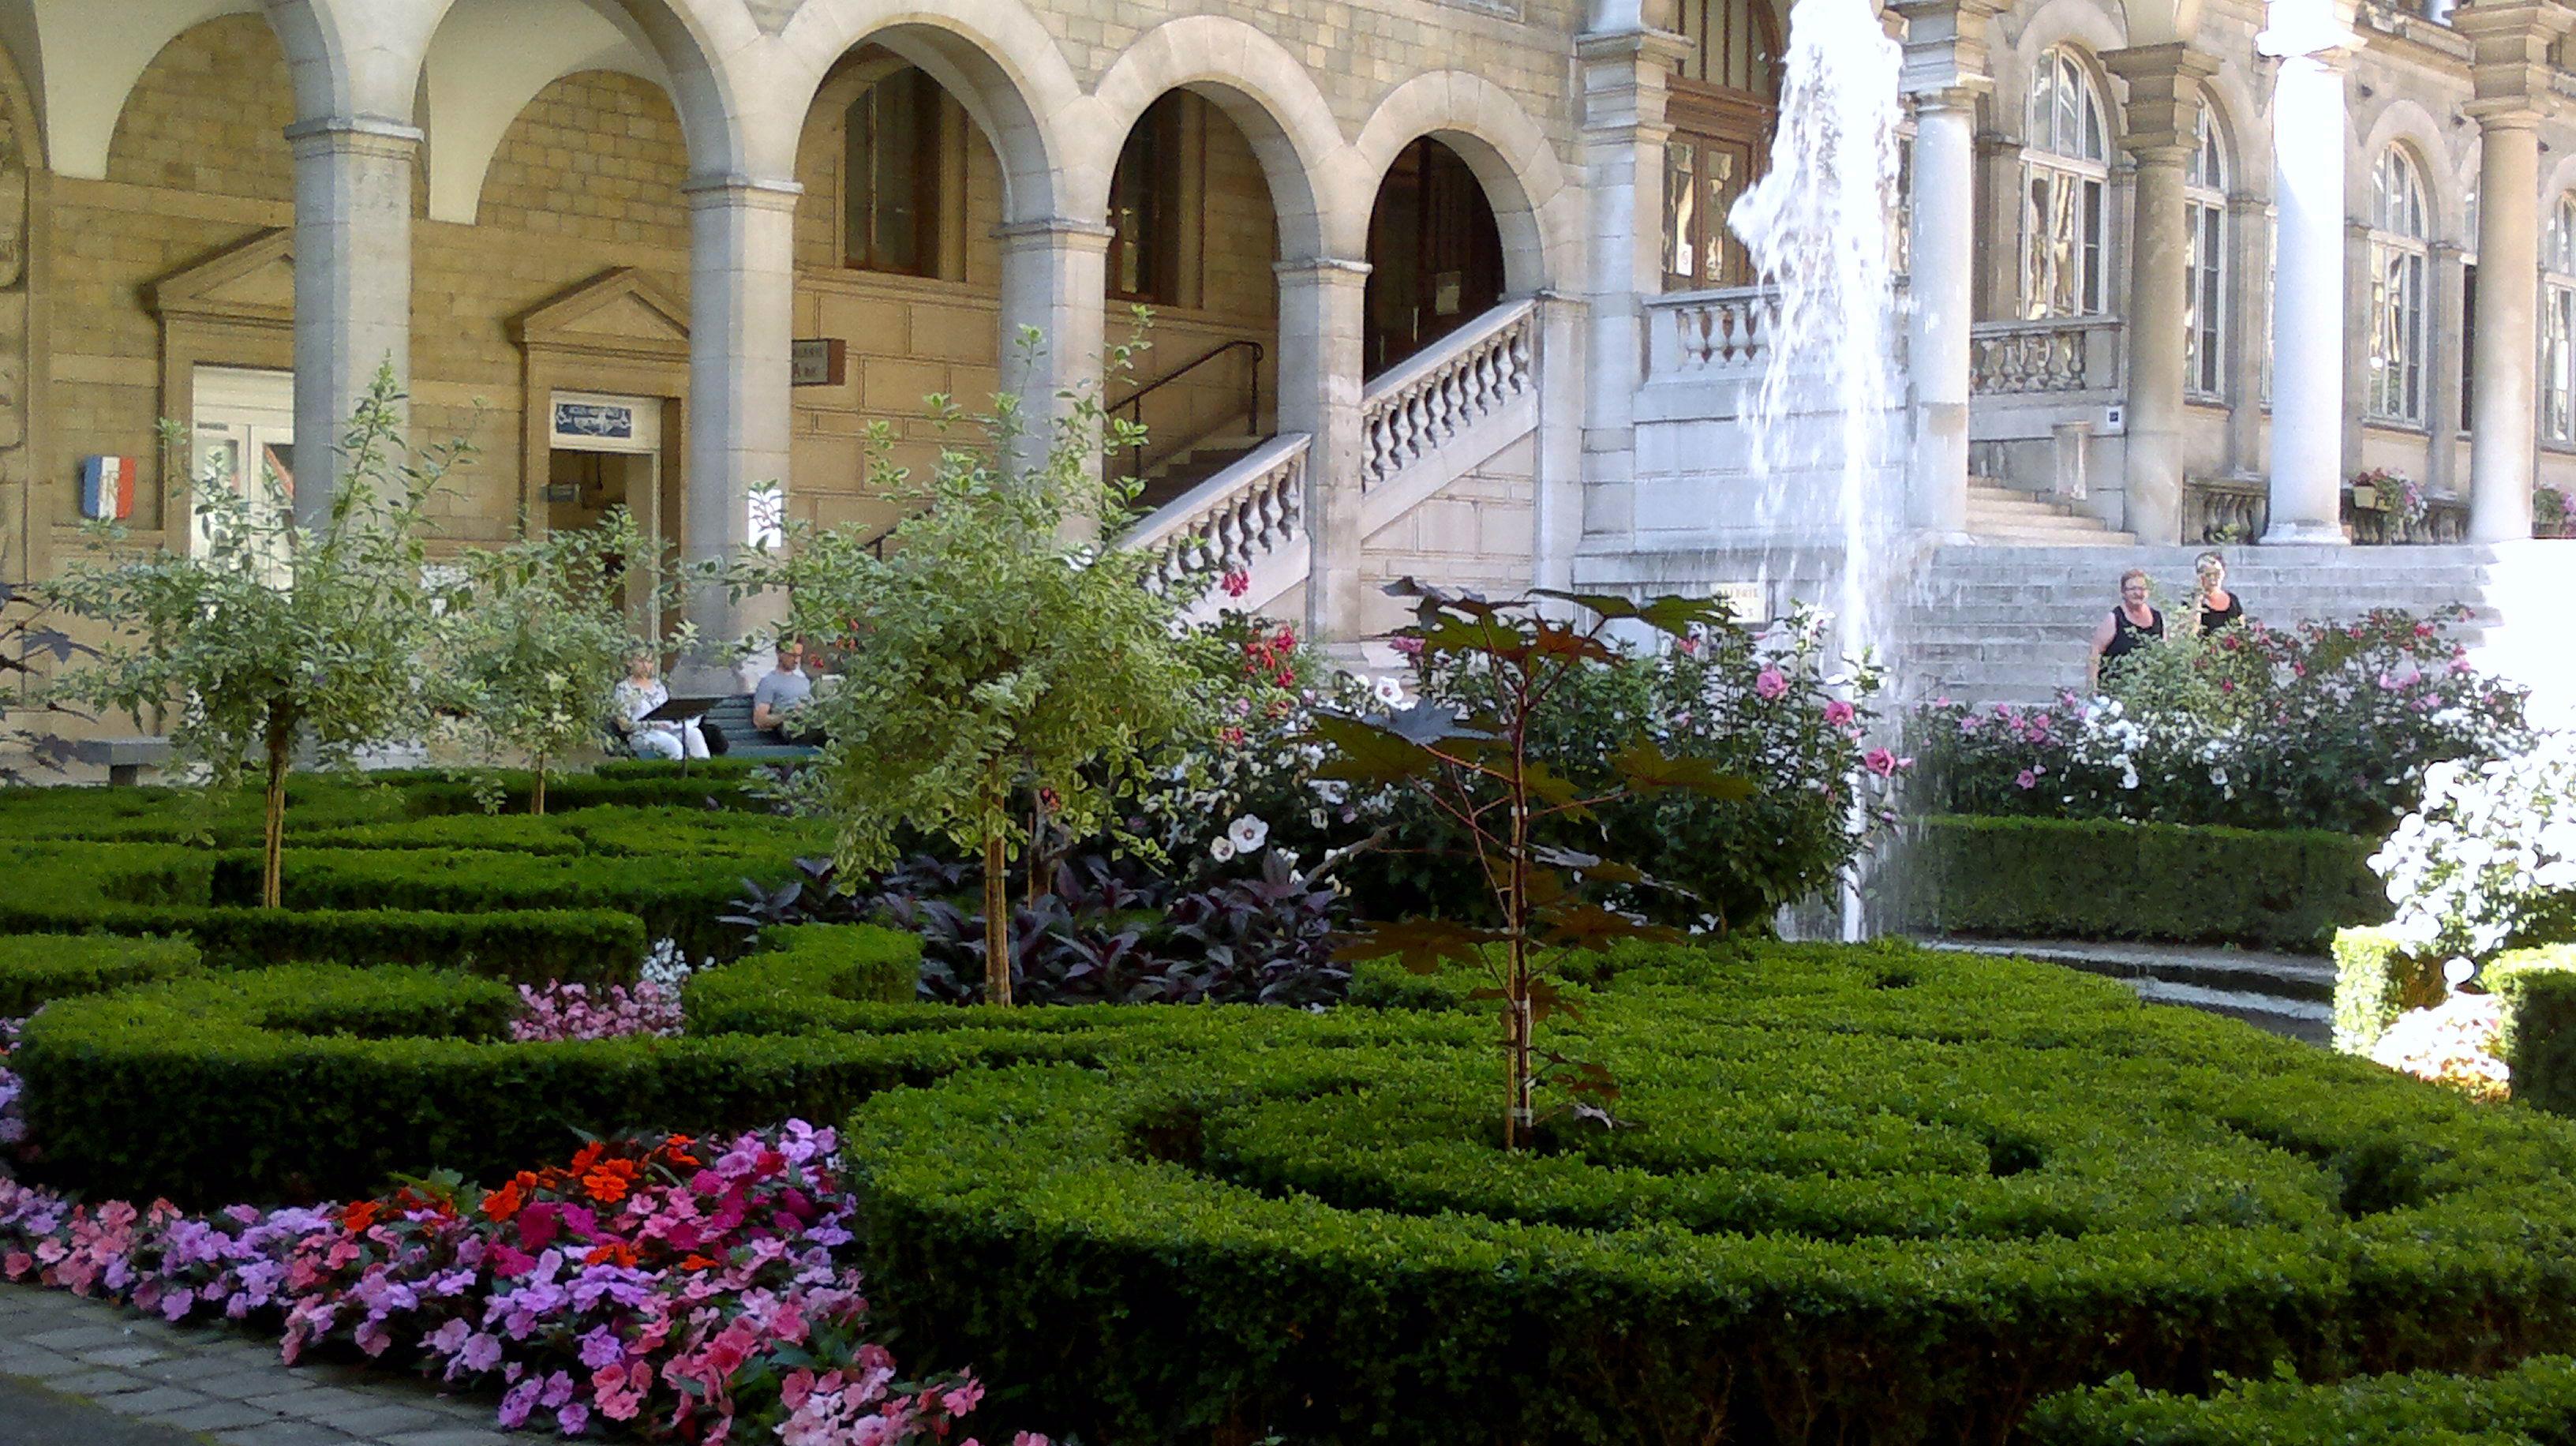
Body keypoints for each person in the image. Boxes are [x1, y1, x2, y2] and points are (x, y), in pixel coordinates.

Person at [611, 651, 708, 761]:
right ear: (630, 662)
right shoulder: (624, 689)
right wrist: (652, 725)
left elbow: (668, 709)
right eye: (641, 661)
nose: (645, 666)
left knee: (695, 734)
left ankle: (704, 772)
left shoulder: (658, 685)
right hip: (642, 734)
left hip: (668, 729)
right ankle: (676, 775)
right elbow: (624, 725)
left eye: (649, 662)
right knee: (673, 745)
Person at [2087, 568, 2164, 693]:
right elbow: (2095, 652)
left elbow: (2163, 653)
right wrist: (2093, 688)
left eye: (2142, 588)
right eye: (2132, 589)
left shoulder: (2158, 618)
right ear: (2123, 592)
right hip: (2117, 690)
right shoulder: (2114, 618)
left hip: (2149, 691)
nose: (2137, 593)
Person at [751, 638, 818, 744]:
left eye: (799, 656)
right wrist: (790, 715)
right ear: (779, 654)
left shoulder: (804, 681)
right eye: (792, 655)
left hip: (811, 722)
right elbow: (760, 720)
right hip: (791, 728)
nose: (796, 661)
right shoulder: (769, 682)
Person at [2192, 549, 2244, 634]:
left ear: (2223, 573)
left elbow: (2242, 629)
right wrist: (2198, 599)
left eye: (2217, 573)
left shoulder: (2233, 600)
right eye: (2208, 575)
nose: (2213, 579)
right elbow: (2191, 633)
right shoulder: (2192, 601)